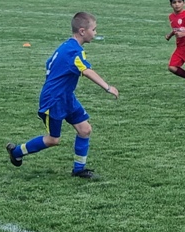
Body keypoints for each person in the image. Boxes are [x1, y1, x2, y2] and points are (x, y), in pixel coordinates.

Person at [6, 12, 119, 180]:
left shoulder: (67, 46)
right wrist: (107, 87)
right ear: (82, 31)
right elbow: (86, 71)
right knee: (53, 140)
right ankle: (16, 152)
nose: (95, 33)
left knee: (85, 129)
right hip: (54, 100)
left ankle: (79, 169)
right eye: (94, 30)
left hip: (66, 97)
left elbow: (49, 64)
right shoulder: (74, 52)